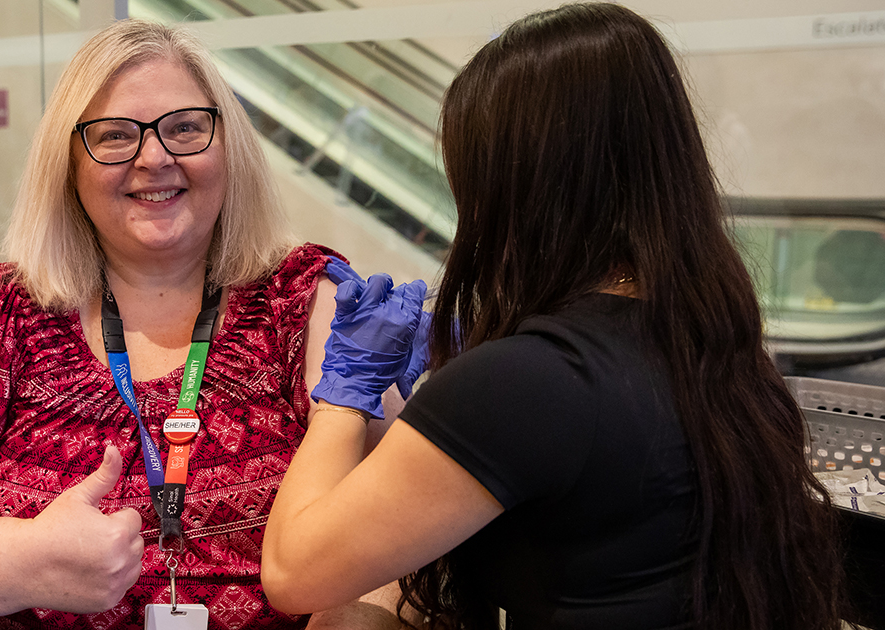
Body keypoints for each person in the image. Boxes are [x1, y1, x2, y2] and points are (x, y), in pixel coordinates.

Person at [262, 4, 847, 630]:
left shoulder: (529, 382)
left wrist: (344, 398)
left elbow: (296, 573)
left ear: (512, 186)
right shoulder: (710, 341)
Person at [0, 19, 406, 630]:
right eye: (115, 136)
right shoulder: (4, 309)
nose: (154, 158)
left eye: (185, 128)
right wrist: (21, 561)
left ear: (229, 145)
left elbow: (389, 540)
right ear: (67, 165)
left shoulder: (304, 301)